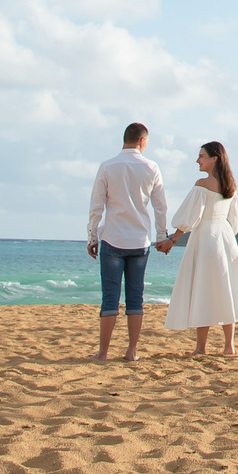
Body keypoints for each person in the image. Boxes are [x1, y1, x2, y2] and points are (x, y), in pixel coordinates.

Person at [86, 121, 170, 363]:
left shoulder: (107, 166)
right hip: (139, 240)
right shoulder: (151, 167)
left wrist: (92, 236)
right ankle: (132, 351)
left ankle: (103, 353)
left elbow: (96, 205)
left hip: (112, 238)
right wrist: (162, 236)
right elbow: (160, 206)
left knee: (109, 296)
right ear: (143, 141)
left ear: (125, 139)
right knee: (136, 296)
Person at [159, 140, 238, 356]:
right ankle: (229, 346)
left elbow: (191, 216)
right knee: (225, 289)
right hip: (225, 237)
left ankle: (201, 347)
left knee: (204, 290)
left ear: (214, 158)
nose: (197, 160)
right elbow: (234, 221)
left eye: (201, 156)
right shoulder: (231, 186)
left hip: (207, 237)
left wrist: (173, 239)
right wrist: (226, 235)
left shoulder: (203, 184)